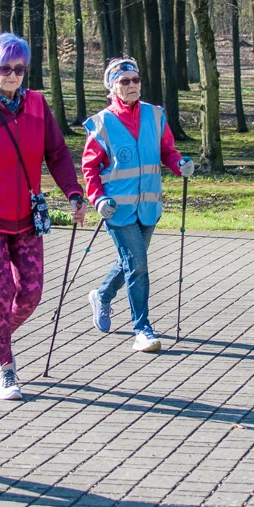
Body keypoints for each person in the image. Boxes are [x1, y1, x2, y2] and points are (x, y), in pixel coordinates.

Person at [0, 32, 85, 402]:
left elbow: (56, 153)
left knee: (31, 293)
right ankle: (5, 369)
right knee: (1, 290)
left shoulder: (38, 105)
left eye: (19, 69)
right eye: (5, 68)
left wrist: (74, 192)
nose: (12, 75)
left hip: (27, 216)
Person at [81, 58, 194, 353]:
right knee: (138, 265)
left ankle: (102, 296)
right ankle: (142, 329)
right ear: (112, 87)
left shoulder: (154, 115)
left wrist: (179, 163)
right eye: (124, 81)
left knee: (132, 262)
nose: (132, 86)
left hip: (148, 206)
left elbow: (166, 150)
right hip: (117, 210)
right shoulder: (102, 123)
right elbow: (90, 168)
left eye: (136, 80)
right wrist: (98, 198)